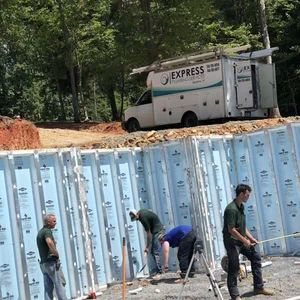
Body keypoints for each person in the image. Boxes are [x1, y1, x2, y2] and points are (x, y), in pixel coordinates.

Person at [222, 184, 274, 300]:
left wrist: (251, 238)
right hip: (232, 242)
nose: (248, 197)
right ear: (241, 194)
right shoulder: (231, 209)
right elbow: (231, 230)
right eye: (247, 195)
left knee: (255, 257)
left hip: (240, 240)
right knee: (234, 267)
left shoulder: (241, 207)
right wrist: (245, 240)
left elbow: (242, 227)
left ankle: (258, 287)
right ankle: (235, 296)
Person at [36, 214, 67, 300]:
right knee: (59, 284)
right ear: (48, 222)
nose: (55, 223)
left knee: (48, 288)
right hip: (51, 263)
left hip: (44, 264)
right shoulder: (47, 231)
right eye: (54, 221)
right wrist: (56, 253)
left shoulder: (40, 232)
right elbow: (49, 242)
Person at [129, 208, 165, 277]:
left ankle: (160, 271)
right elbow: (151, 212)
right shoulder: (141, 211)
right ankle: (159, 269)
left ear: (136, 214)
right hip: (158, 228)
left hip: (157, 231)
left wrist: (147, 247)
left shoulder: (143, 219)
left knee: (154, 251)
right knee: (154, 251)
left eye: (135, 218)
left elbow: (149, 235)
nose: (136, 220)